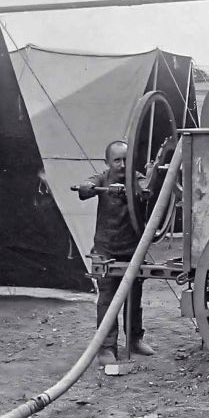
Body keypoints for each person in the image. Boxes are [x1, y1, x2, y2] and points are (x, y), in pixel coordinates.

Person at [75, 140, 157, 365]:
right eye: (117, 160)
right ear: (107, 162)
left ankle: (134, 340)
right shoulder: (101, 179)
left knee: (134, 297)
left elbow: (146, 189)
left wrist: (145, 184)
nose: (122, 165)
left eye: (126, 160)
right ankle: (106, 348)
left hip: (133, 249)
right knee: (107, 300)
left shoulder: (136, 178)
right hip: (106, 249)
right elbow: (86, 187)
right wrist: (86, 187)